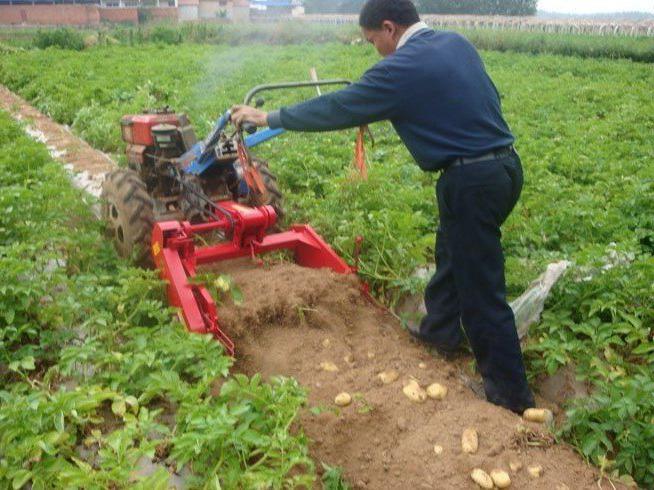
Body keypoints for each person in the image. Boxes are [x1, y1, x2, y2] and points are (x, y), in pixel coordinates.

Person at [231, 0, 535, 414]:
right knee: (452, 253)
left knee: (482, 292)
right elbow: (471, 98)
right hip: (503, 168)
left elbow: (337, 106)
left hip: (470, 182)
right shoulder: (456, 44)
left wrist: (268, 116)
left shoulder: (400, 68)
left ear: (390, 28)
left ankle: (509, 398)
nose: (374, 48)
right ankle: (440, 334)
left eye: (373, 40)